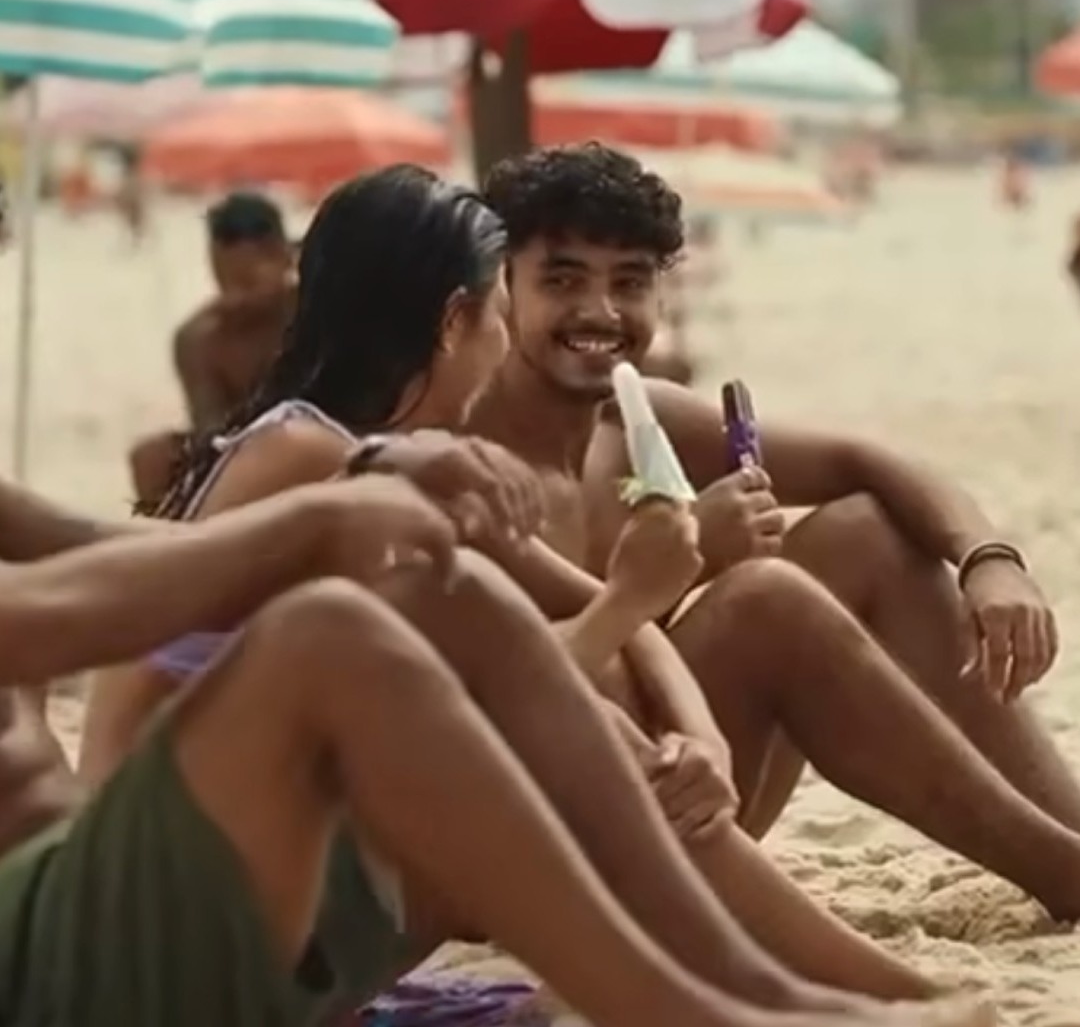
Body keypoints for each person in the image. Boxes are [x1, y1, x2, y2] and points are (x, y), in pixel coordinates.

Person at [81, 165, 970, 1010]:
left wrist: (698, 734)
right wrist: (636, 594)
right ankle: (856, 996)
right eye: (500, 317)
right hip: (186, 932)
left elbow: (586, 621)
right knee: (569, 727)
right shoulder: (310, 457)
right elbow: (491, 700)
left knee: (598, 720)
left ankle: (839, 991)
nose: (505, 345)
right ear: (454, 323)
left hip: (254, 885)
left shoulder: (382, 456)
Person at [8, 476, 997, 1027]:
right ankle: (689, 1014)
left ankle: (749, 987)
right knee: (328, 639)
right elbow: (43, 620)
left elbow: (107, 550)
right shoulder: (302, 441)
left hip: (82, 893)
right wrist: (318, 518)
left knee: (457, 591)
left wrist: (371, 488)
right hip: (42, 967)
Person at [469, 141, 1080, 921]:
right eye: (562, 280)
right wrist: (695, 562)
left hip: (688, 786)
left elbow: (867, 460)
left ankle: (1069, 828)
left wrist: (989, 560)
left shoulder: (633, 421)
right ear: (499, 289)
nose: (600, 311)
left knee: (866, 533)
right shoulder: (466, 456)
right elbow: (500, 692)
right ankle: (1062, 870)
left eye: (630, 282)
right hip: (535, 839)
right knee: (763, 597)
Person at [128, 191, 296, 510]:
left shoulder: (315, 308)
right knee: (151, 459)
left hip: (326, 443)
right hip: (241, 452)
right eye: (225, 282)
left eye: (247, 282)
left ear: (283, 257)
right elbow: (211, 433)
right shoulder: (202, 339)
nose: (235, 296)